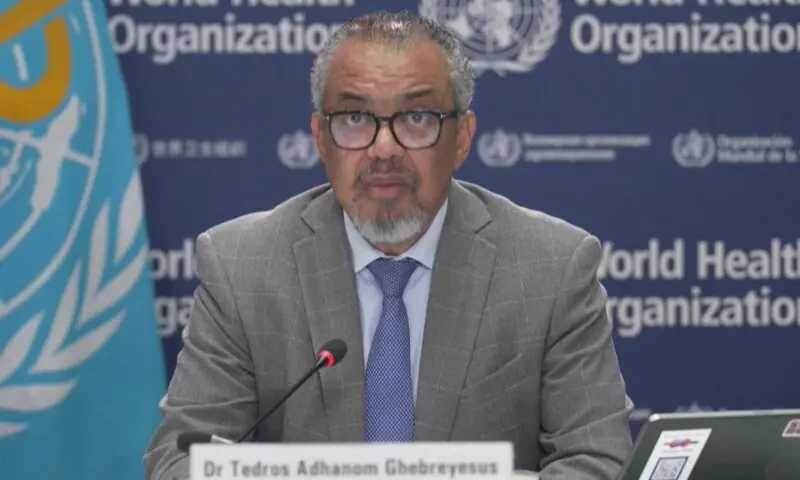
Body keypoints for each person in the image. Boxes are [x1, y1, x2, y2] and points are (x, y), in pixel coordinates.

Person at [143, 10, 634, 480]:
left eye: (416, 118)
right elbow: (182, 461)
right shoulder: (243, 268)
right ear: (321, 137)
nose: (383, 149)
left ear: (461, 137)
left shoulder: (551, 268)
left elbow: (598, 461)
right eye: (355, 119)